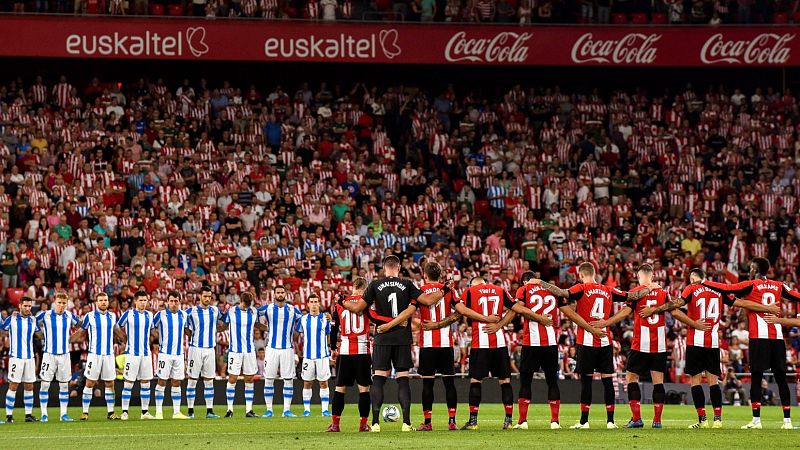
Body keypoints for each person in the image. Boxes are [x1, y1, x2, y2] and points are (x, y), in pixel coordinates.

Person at [642, 268, 779, 429]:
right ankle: (718, 420)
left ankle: (703, 420)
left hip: (695, 341)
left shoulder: (691, 288)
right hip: (713, 343)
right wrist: (768, 308)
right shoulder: (718, 289)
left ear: (693, 278)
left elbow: (676, 304)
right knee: (714, 382)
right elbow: (742, 303)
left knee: (695, 381)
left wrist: (654, 309)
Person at [531, 261, 651, 429]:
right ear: (594, 274)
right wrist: (648, 288)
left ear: (580, 275)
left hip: (586, 340)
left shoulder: (581, 288)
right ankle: (610, 421)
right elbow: (630, 296)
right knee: (607, 381)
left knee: (586, 382)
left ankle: (584, 421)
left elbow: (562, 292)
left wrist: (540, 282)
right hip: (605, 340)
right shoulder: (608, 289)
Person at [339, 255, 444, 432]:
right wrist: (445, 290)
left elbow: (358, 309)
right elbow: (427, 300)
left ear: (384, 268)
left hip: (382, 337)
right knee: (402, 380)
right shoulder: (407, 283)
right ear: (399, 267)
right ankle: (406, 423)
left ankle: (375, 424)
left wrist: (343, 302)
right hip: (402, 338)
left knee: (379, 379)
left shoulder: (374, 285)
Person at [701, 257, 800, 430]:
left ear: (755, 269)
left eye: (751, 268)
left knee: (756, 378)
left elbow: (727, 288)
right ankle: (787, 421)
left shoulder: (751, 284)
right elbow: (797, 297)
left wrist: (704, 282)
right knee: (781, 379)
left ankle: (756, 420)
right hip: (777, 338)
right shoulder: (779, 285)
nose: (749, 271)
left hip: (758, 338)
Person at [598, 264, 667, 429]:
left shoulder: (636, 292)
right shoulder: (663, 292)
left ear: (639, 275)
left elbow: (624, 313)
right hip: (659, 344)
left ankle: (637, 418)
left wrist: (606, 322)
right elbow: (674, 309)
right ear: (652, 275)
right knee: (658, 382)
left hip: (640, 344)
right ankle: (657, 421)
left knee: (631, 378)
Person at [455, 276, 525, 430]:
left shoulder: (469, 291)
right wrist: (499, 324)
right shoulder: (500, 290)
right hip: (499, 343)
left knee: (475, 381)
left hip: (480, 343)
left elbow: (461, 310)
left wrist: (483, 318)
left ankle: (473, 422)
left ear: (474, 284)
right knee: (505, 381)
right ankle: (508, 420)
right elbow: (516, 308)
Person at [504, 271, 564, 429]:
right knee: (552, 381)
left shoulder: (524, 290)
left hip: (532, 342)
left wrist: (501, 323)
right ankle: (555, 421)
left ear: (525, 281)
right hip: (551, 342)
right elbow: (567, 309)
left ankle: (522, 421)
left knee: (526, 382)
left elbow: (518, 309)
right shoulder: (551, 289)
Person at [413, 261, 460, 431]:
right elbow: (460, 312)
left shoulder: (419, 291)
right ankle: (452, 420)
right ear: (440, 275)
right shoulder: (449, 290)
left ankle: (427, 422)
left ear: (425, 275)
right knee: (449, 383)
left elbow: (410, 312)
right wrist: (443, 323)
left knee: (427, 384)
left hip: (427, 345)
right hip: (446, 344)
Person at [327, 277, 372, 433]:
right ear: (365, 288)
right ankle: (363, 425)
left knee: (340, 389)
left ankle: (335, 425)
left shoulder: (340, 304)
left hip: (345, 351)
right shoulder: (366, 302)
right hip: (362, 351)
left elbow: (333, 329)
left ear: (353, 287)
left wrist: (333, 348)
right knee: (364, 389)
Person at [74, 292, 120, 421]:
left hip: (109, 355)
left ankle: (111, 412)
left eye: (105, 300)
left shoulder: (112, 316)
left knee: (110, 383)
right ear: (96, 302)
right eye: (101, 300)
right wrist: (68, 340)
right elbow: (81, 332)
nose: (104, 302)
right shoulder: (90, 316)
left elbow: (117, 332)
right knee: (89, 382)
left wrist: (126, 340)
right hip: (94, 355)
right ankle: (85, 412)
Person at [35, 292, 80, 422]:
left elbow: (82, 325)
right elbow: (31, 321)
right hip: (49, 355)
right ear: (55, 302)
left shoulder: (69, 315)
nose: (61, 305)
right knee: (45, 384)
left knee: (64, 385)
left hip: (65, 355)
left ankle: (63, 414)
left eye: (64, 303)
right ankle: (44, 414)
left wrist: (72, 338)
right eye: (59, 303)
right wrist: (40, 335)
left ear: (66, 304)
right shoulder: (46, 315)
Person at [259, 285, 302, 418]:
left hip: (287, 349)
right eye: (278, 292)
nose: (280, 294)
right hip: (271, 349)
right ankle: (269, 410)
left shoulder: (293, 309)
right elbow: (253, 314)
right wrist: (264, 328)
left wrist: (297, 331)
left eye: (282, 292)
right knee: (269, 379)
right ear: (274, 294)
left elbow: (302, 320)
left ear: (285, 294)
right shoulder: (268, 308)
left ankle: (286, 410)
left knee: (288, 379)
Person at [223, 291, 264, 418]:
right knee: (232, 378)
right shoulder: (231, 311)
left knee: (249, 379)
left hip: (249, 350)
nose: (246, 307)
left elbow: (256, 324)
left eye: (248, 305)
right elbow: (224, 324)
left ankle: (249, 410)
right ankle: (229, 409)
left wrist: (268, 328)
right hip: (235, 351)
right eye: (245, 304)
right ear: (240, 301)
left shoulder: (253, 311)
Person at [185, 286, 223, 419]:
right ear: (200, 296)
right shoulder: (191, 312)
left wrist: (216, 331)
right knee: (192, 380)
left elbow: (226, 321)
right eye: (205, 296)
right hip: (195, 349)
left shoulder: (215, 310)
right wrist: (192, 335)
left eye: (209, 297)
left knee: (209, 381)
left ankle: (209, 411)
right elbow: (184, 327)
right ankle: (190, 411)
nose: (207, 299)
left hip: (210, 349)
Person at [117, 290, 156, 420]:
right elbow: (117, 327)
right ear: (135, 301)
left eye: (145, 300)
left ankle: (144, 412)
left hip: (145, 354)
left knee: (145, 383)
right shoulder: (128, 314)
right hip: (132, 354)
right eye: (141, 300)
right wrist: (124, 339)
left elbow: (153, 330)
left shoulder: (150, 315)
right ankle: (124, 412)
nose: (143, 303)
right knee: (128, 383)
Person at [152, 291, 191, 420]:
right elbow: (151, 327)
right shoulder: (160, 315)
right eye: (171, 301)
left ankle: (176, 412)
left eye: (176, 301)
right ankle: (158, 412)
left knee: (176, 382)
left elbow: (186, 330)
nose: (174, 303)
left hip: (179, 354)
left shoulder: (184, 315)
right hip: (164, 354)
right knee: (161, 381)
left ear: (179, 301)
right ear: (168, 301)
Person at [1, 297, 39, 423]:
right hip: (16, 358)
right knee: (13, 385)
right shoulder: (12, 318)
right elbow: (2, 327)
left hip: (29, 358)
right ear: (20, 306)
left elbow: (39, 333)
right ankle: (9, 416)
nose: (28, 308)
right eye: (25, 306)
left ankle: (28, 415)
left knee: (29, 386)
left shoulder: (33, 320)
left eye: (29, 306)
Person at [297, 293, 332, 417]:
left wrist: (331, 352)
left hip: (322, 356)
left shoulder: (325, 319)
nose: (313, 304)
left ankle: (324, 410)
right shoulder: (303, 319)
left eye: (315, 302)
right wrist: (296, 352)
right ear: (307, 304)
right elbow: (297, 335)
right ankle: (307, 410)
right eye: (311, 302)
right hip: (308, 356)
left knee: (324, 383)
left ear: (319, 303)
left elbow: (328, 336)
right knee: (307, 382)